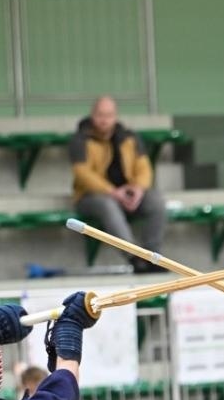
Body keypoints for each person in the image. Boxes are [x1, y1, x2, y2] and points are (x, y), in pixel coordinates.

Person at [69, 95, 166, 271]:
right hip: (90, 197)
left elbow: (144, 167)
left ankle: (153, 256)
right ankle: (135, 257)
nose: (104, 120)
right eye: (100, 115)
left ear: (115, 116)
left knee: (156, 200)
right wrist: (112, 191)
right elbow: (83, 174)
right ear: (92, 115)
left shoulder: (130, 138)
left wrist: (138, 189)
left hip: (127, 192)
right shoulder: (80, 140)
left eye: (109, 115)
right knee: (107, 204)